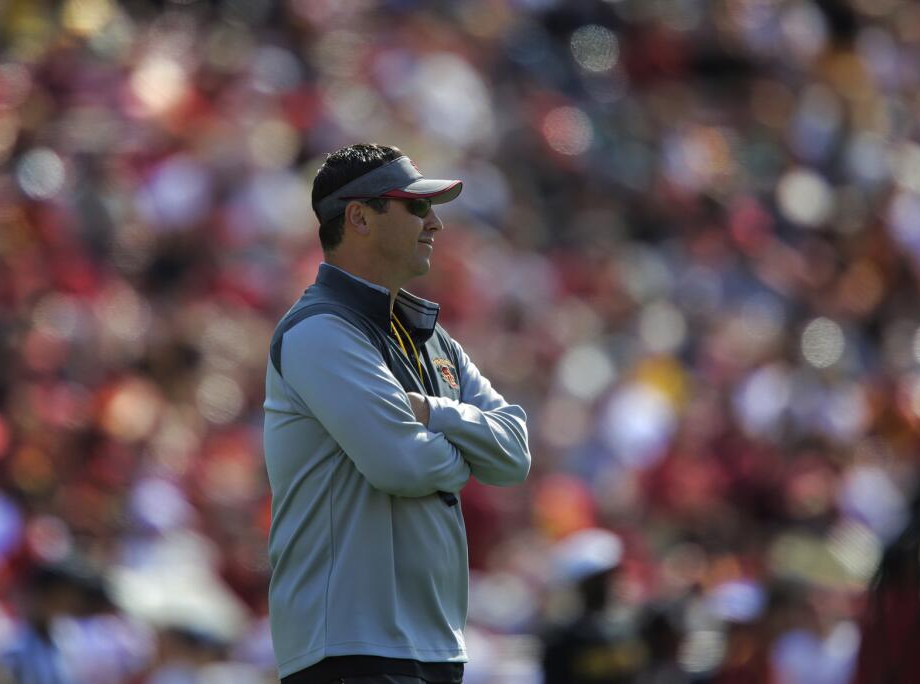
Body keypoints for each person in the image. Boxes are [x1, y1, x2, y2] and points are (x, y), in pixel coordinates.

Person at [263, 143, 531, 684]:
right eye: (414, 207)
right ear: (359, 217)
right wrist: (464, 456)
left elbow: (515, 453)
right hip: (349, 646)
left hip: (430, 645)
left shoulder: (431, 338)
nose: (434, 222)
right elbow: (402, 468)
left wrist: (434, 413)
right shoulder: (318, 329)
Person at [539, 528, 645, 684]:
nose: (612, 584)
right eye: (600, 580)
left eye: (614, 576)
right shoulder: (562, 638)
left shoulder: (638, 625)